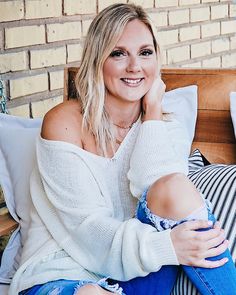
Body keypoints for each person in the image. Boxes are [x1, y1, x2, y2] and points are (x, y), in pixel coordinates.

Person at [9, 3, 236, 295]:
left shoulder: (164, 123)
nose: (134, 67)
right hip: (66, 273)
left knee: (173, 187)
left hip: (135, 273)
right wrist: (166, 246)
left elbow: (151, 186)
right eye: (119, 53)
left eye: (145, 53)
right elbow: (88, 232)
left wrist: (152, 111)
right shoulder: (63, 123)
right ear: (98, 60)